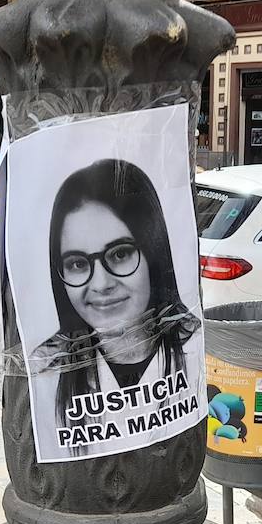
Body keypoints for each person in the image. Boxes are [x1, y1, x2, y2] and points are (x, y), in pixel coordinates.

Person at [31, 158, 199, 448]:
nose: (100, 284)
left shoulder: (197, 350)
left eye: (120, 254)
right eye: (77, 264)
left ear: (153, 251)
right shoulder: (44, 371)